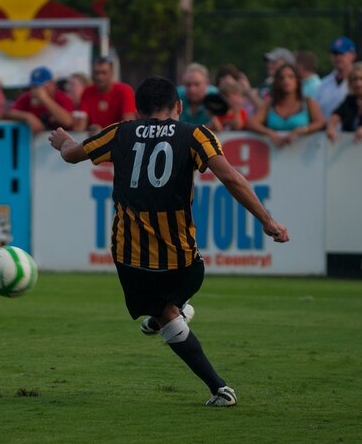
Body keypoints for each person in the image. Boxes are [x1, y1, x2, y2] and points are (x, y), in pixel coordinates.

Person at [48, 75, 289, 407]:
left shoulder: (121, 131)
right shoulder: (195, 134)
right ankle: (173, 310)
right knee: (169, 306)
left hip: (131, 258)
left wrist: (62, 140)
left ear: (138, 109)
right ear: (178, 106)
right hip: (185, 262)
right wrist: (267, 220)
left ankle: (218, 387)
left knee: (165, 316)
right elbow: (230, 176)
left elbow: (72, 154)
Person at [247, 64, 325, 147]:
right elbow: (252, 122)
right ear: (277, 82)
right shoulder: (271, 104)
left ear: (297, 80)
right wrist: (270, 133)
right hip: (274, 153)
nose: (286, 80)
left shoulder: (307, 102)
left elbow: (320, 122)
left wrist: (300, 130)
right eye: (282, 78)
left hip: (303, 153)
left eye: (290, 77)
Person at [75, 56, 136, 133]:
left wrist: (103, 133)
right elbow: (81, 125)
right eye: (96, 73)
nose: (99, 77)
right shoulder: (87, 91)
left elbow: (129, 124)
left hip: (117, 141)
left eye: (104, 73)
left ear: (112, 73)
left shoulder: (124, 90)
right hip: (94, 140)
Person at [5, 66, 73, 134]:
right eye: (34, 86)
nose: (36, 89)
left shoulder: (62, 97)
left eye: (41, 85)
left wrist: (45, 99)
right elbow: (8, 112)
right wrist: (27, 116)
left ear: (52, 84)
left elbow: (68, 121)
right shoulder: (27, 97)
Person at [326, 61, 362, 144]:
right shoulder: (350, 100)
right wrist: (331, 127)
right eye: (355, 79)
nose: (358, 83)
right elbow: (336, 115)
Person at [316, 36, 357, 119]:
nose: (337, 57)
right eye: (335, 54)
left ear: (353, 55)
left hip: (351, 131)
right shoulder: (323, 84)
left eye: (341, 54)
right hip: (324, 131)